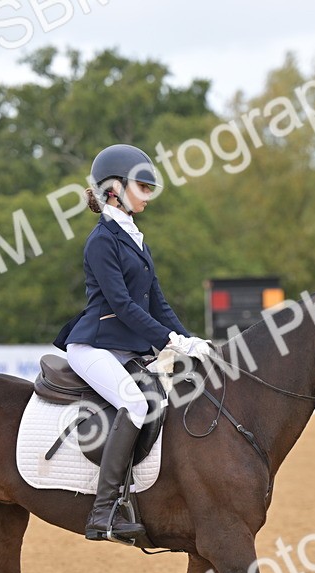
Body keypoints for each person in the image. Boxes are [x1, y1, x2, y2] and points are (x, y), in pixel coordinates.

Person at [53, 144, 213, 542]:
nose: (147, 193)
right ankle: (103, 511)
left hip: (126, 348)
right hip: (93, 346)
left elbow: (158, 302)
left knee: (170, 396)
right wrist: (168, 340)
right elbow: (123, 306)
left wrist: (191, 341)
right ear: (114, 190)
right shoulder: (102, 241)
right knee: (135, 402)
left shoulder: (137, 239)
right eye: (141, 186)